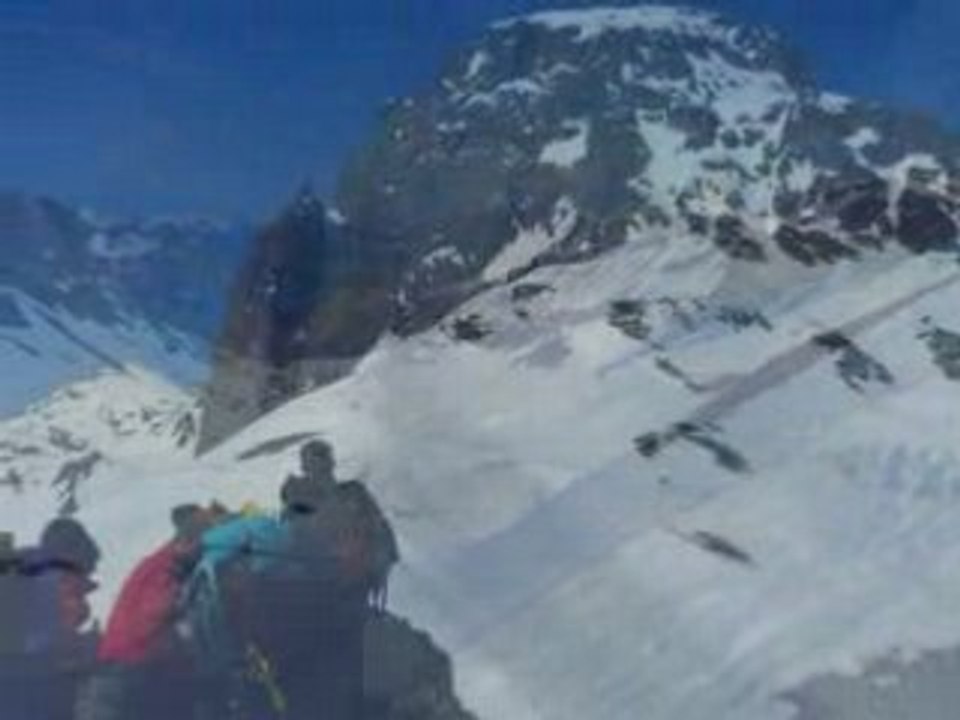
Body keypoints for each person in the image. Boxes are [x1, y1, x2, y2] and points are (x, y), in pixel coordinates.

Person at [76, 505, 212, 720]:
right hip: (136, 671)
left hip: (119, 667)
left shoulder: (156, 562)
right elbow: (150, 619)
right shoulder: (169, 567)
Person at [0, 518, 101, 720]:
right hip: (35, 684)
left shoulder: (23, 568)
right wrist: (91, 645)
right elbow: (51, 642)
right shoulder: (54, 580)